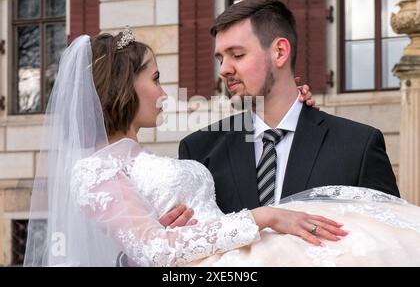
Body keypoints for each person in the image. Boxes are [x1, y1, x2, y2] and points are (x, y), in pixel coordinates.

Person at [23, 30, 420, 267]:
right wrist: (264, 217)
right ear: (126, 87)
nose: (164, 92)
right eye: (156, 79)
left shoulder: (143, 158)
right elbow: (151, 249)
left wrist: (296, 111)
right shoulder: (96, 170)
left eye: (237, 54)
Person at [179, 0, 400, 216]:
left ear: (280, 52)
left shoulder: (357, 147)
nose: (224, 69)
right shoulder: (200, 151)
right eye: (220, 59)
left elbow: (389, 242)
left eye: (237, 55)